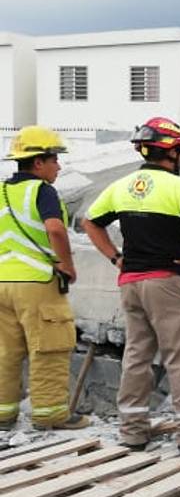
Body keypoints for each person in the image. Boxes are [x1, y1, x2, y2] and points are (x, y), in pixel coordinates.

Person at [80, 117, 180, 457]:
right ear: (174, 152)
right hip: (167, 283)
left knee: (137, 356)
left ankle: (133, 432)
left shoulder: (122, 186)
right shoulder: (177, 187)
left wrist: (114, 257)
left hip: (131, 282)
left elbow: (90, 221)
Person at [0, 127, 90, 430]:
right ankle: (50, 413)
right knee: (49, 347)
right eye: (54, 160)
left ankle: (3, 413)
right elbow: (55, 229)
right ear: (38, 162)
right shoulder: (42, 190)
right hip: (36, 282)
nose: (59, 166)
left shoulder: (2, 191)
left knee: (5, 351)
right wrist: (67, 264)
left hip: (2, 281)